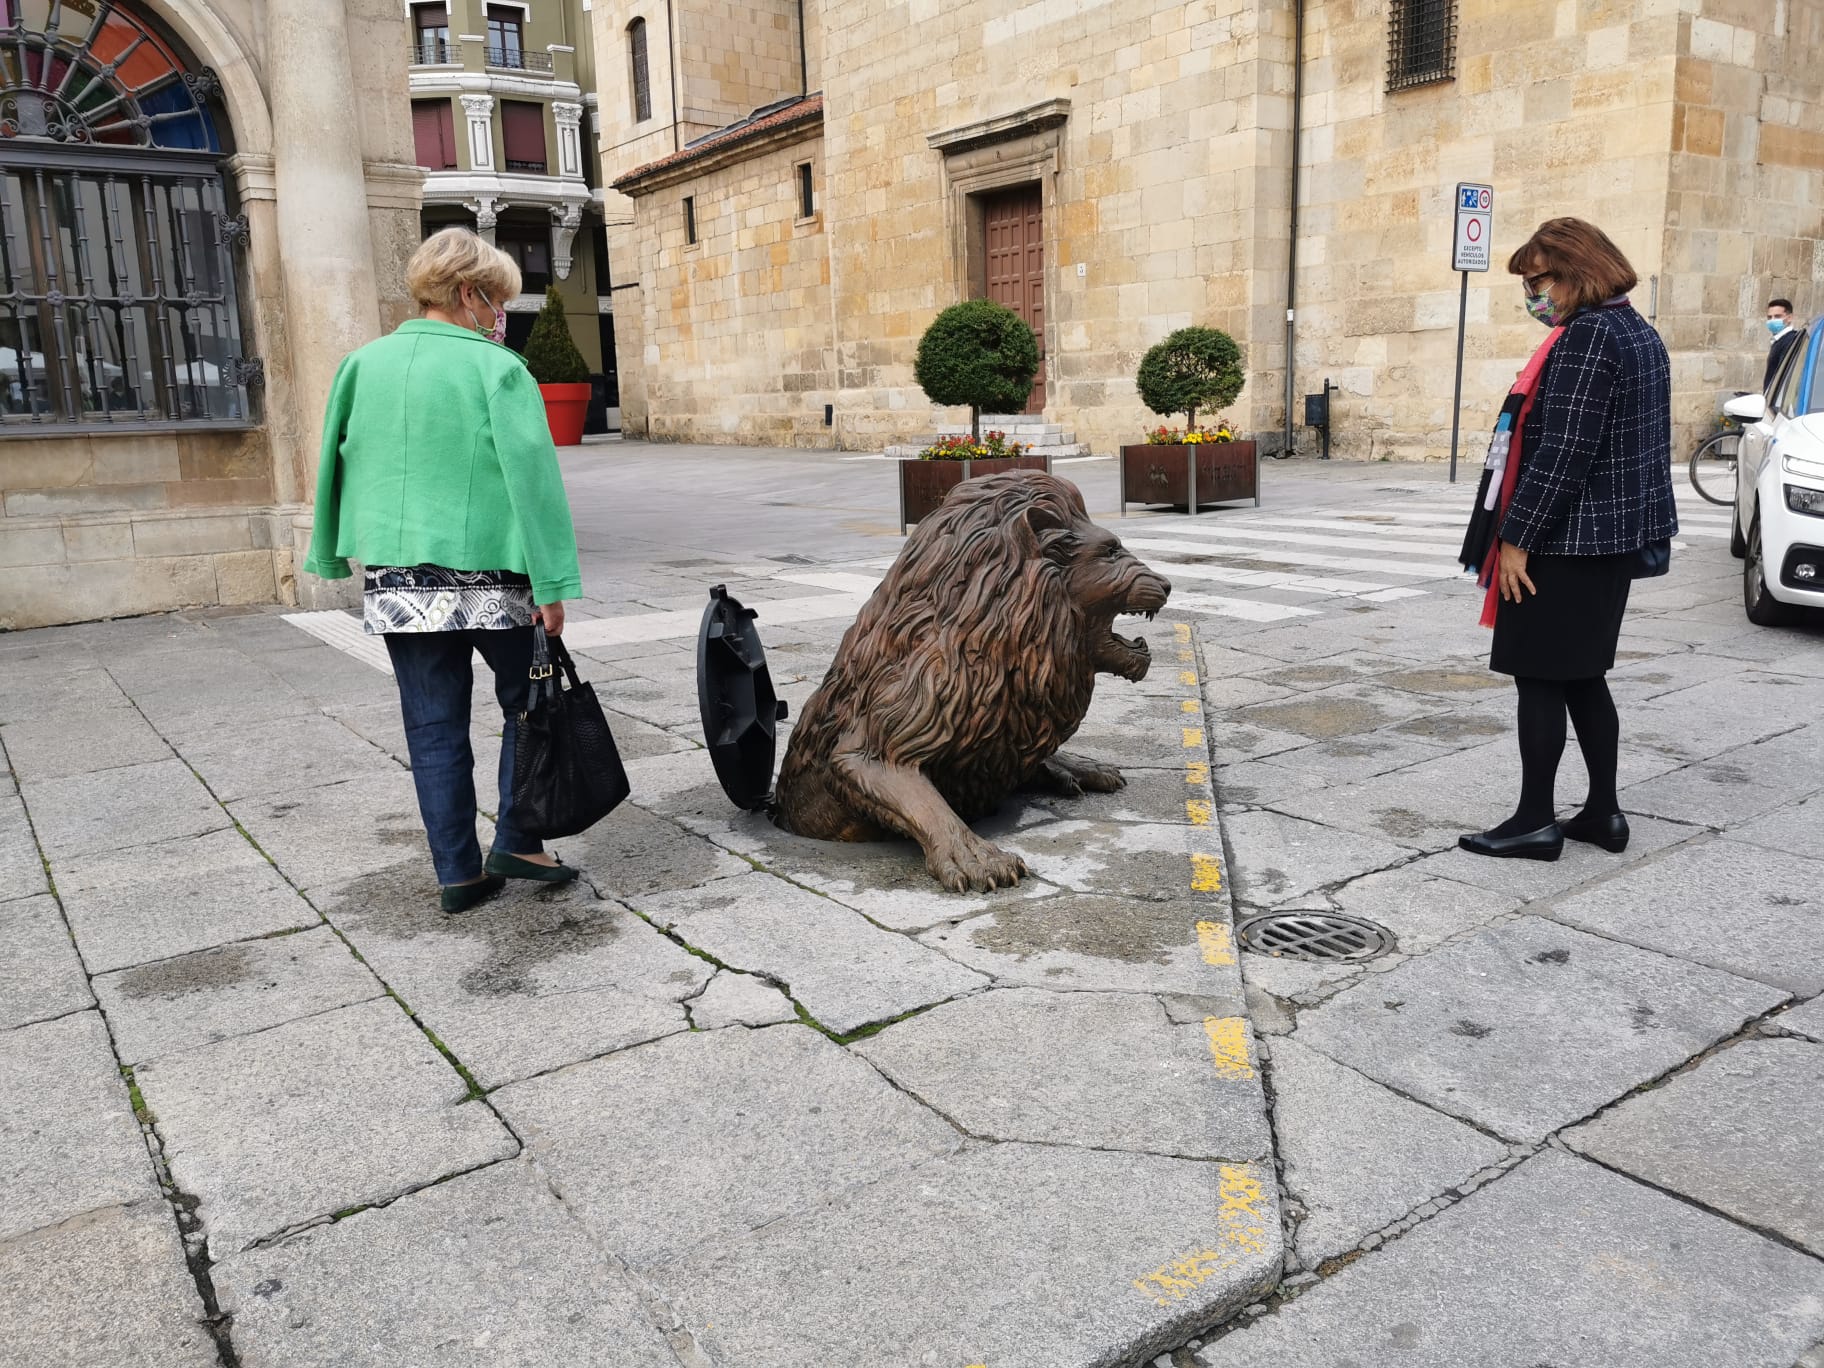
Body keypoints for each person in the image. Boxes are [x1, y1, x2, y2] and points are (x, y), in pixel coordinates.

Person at [304, 227, 584, 911]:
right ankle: (518, 838)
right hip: (495, 577)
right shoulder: (498, 369)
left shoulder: (361, 365)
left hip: (401, 582)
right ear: (469, 293)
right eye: (498, 303)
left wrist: (327, 552)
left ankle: (457, 872)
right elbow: (533, 484)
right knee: (530, 709)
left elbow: (333, 463)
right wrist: (552, 585)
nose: (501, 317)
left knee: (431, 725)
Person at [1458, 217, 1676, 861]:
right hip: (1612, 540)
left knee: (1540, 679)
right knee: (1585, 677)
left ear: (1576, 271)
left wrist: (1516, 538)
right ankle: (1603, 814)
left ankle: (1534, 820)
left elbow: (1564, 452)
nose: (1532, 296)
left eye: (1537, 281)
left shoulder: (1586, 339)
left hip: (1566, 543)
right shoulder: (1637, 331)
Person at [1765, 297, 1799, 389]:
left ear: (1789, 318)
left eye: (1777, 316)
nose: (1772, 320)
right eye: (1769, 317)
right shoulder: (1779, 341)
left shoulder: (1790, 340)